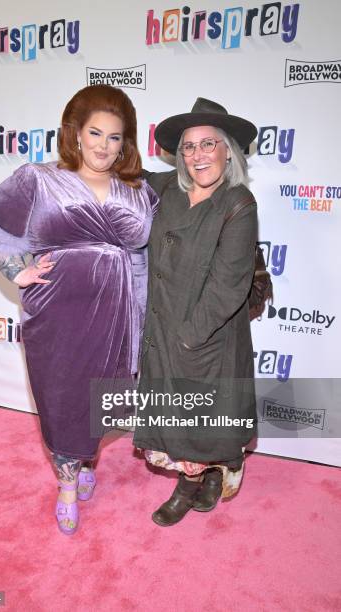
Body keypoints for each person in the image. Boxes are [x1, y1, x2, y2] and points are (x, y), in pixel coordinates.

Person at [0, 84, 158, 535]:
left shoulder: (138, 189)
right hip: (57, 309)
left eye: (115, 137)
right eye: (95, 133)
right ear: (74, 133)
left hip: (117, 310)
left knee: (101, 397)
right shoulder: (37, 178)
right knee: (61, 396)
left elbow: (151, 251)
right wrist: (17, 271)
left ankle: (85, 458)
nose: (104, 146)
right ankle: (67, 485)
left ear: (126, 142)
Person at [133, 98, 258, 526]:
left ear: (228, 150)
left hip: (207, 334)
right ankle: (196, 479)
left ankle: (199, 478)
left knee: (204, 417)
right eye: (189, 147)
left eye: (209, 144)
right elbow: (121, 171)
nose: (198, 155)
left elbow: (229, 285)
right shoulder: (166, 187)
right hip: (161, 325)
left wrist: (188, 336)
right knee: (172, 415)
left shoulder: (238, 203)